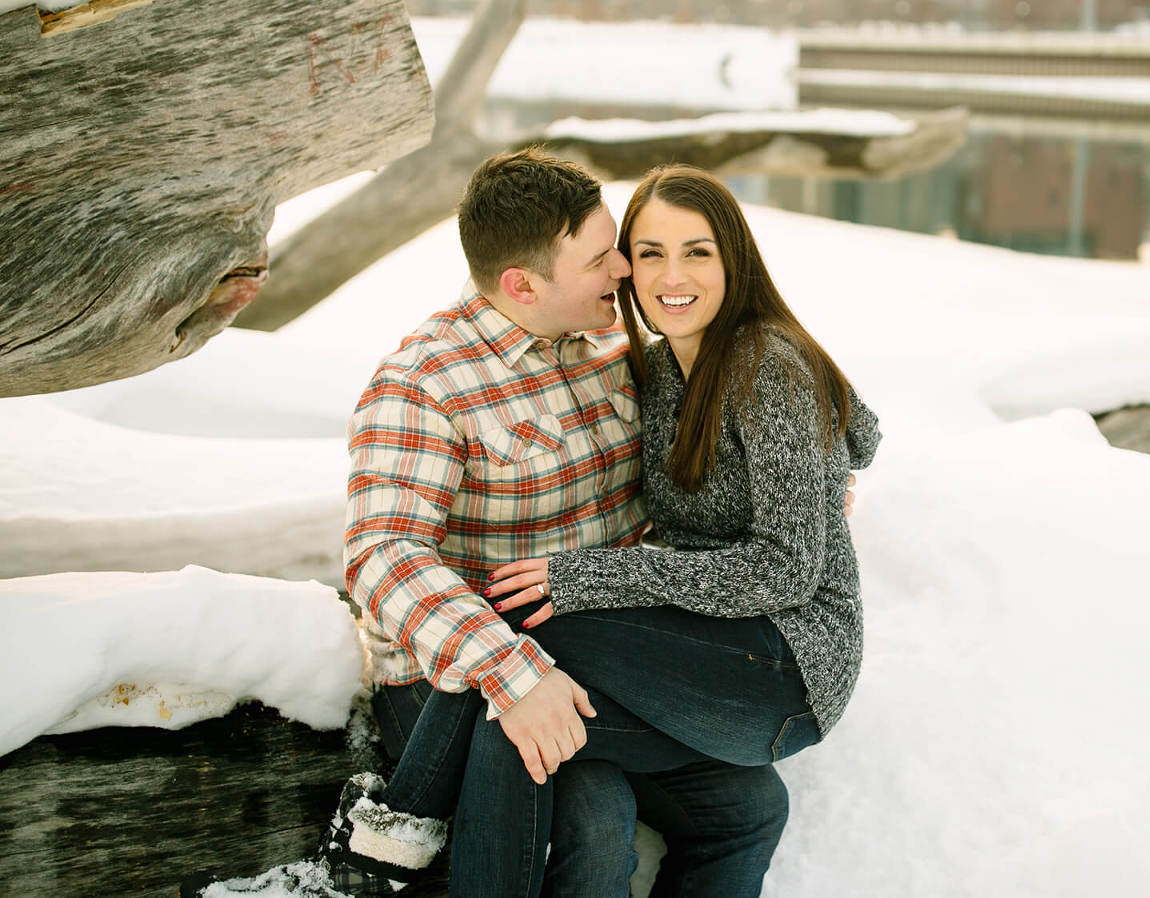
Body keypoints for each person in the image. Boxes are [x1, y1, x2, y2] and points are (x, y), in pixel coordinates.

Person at [183, 152, 877, 898]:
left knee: (746, 805)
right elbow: (383, 555)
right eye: (609, 255)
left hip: (596, 639)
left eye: (623, 247)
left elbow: (819, 425)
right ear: (523, 285)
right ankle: (364, 871)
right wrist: (510, 671)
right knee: (589, 806)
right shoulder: (426, 383)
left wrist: (812, 466)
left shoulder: (616, 350)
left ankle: (366, 869)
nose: (624, 270)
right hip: (455, 666)